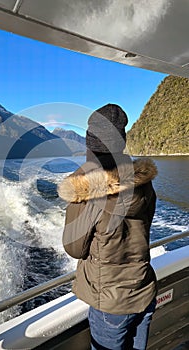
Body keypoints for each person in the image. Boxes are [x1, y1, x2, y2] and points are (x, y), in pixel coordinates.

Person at [58, 104, 158, 350]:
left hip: (112, 303)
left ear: (90, 143)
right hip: (144, 289)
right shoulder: (143, 182)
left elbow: (74, 248)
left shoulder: (88, 191)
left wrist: (82, 180)